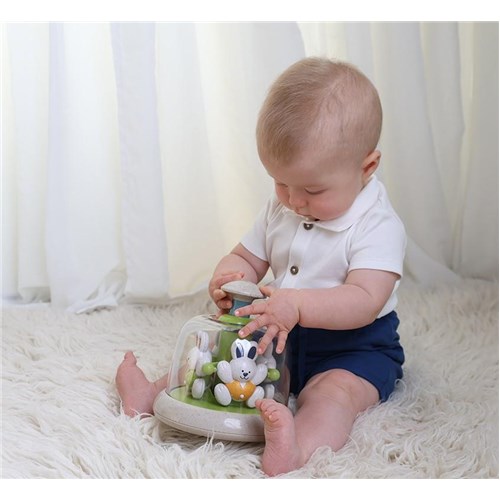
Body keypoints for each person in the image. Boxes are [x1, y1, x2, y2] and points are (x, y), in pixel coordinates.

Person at [116, 57, 406, 476]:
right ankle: (153, 395)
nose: (294, 200)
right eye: (281, 183)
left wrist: (298, 306)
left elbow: (364, 300)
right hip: (275, 335)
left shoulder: (377, 224)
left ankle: (298, 447)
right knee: (213, 357)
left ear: (367, 167)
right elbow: (248, 256)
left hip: (353, 348)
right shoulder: (281, 206)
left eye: (312, 189)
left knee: (333, 397)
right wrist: (231, 275)